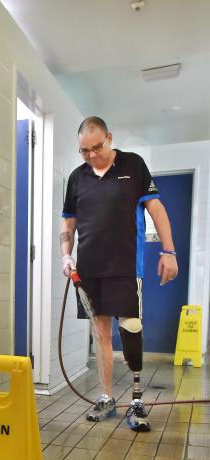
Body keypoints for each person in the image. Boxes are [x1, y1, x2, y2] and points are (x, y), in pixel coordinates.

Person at [60, 117, 178, 431]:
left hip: (125, 266)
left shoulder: (133, 165)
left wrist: (169, 252)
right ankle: (107, 397)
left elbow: (156, 208)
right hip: (90, 269)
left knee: (131, 326)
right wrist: (65, 256)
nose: (91, 155)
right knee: (100, 333)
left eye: (97, 147)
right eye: (84, 151)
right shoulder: (77, 178)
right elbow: (69, 223)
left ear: (109, 138)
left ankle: (137, 401)